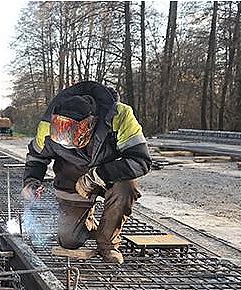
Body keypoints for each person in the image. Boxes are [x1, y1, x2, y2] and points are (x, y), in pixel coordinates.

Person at [21, 81, 150, 264]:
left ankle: (107, 245)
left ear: (89, 125)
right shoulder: (48, 125)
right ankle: (86, 221)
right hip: (72, 176)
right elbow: (36, 157)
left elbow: (141, 161)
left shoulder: (120, 116)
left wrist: (98, 176)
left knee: (126, 188)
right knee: (69, 240)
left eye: (71, 134)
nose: (66, 140)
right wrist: (31, 182)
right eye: (61, 133)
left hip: (111, 174)